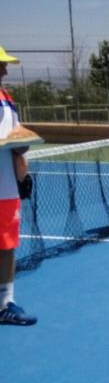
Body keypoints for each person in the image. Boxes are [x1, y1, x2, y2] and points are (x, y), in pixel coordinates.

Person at [0, 47, 37, 325]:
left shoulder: (6, 99)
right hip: (4, 188)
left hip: (7, 189)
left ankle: (5, 303)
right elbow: (11, 143)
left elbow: (15, 142)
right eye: (1, 65)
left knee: (7, 246)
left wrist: (22, 174)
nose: (5, 70)